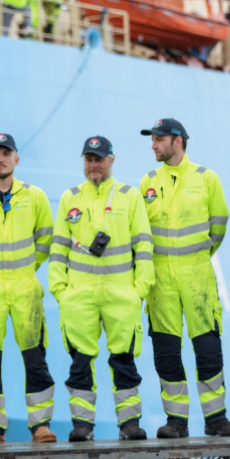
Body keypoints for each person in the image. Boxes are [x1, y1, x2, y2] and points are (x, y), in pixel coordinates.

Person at [139, 120, 230, 439]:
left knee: (208, 351)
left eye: (159, 139)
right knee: (167, 354)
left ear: (178, 141)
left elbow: (218, 226)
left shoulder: (206, 178)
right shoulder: (148, 182)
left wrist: (195, 258)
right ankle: (176, 422)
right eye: (152, 140)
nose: (153, 145)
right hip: (160, 283)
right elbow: (142, 231)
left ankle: (216, 420)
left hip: (197, 278)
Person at [49, 136, 154, 442]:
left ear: (112, 160)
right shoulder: (70, 198)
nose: (94, 165)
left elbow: (143, 246)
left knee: (124, 361)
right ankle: (82, 426)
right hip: (79, 296)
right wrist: (60, 289)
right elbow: (59, 248)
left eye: (99, 159)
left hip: (122, 295)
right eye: (89, 159)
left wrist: (140, 290)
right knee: (80, 362)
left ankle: (129, 424)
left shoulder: (129, 196)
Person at [0, 133, 57, 445]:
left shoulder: (36, 197)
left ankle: (41, 426)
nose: (1, 158)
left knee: (35, 358)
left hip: (25, 289)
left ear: (17, 159)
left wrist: (24, 271)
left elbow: (45, 240)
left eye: (7, 153)